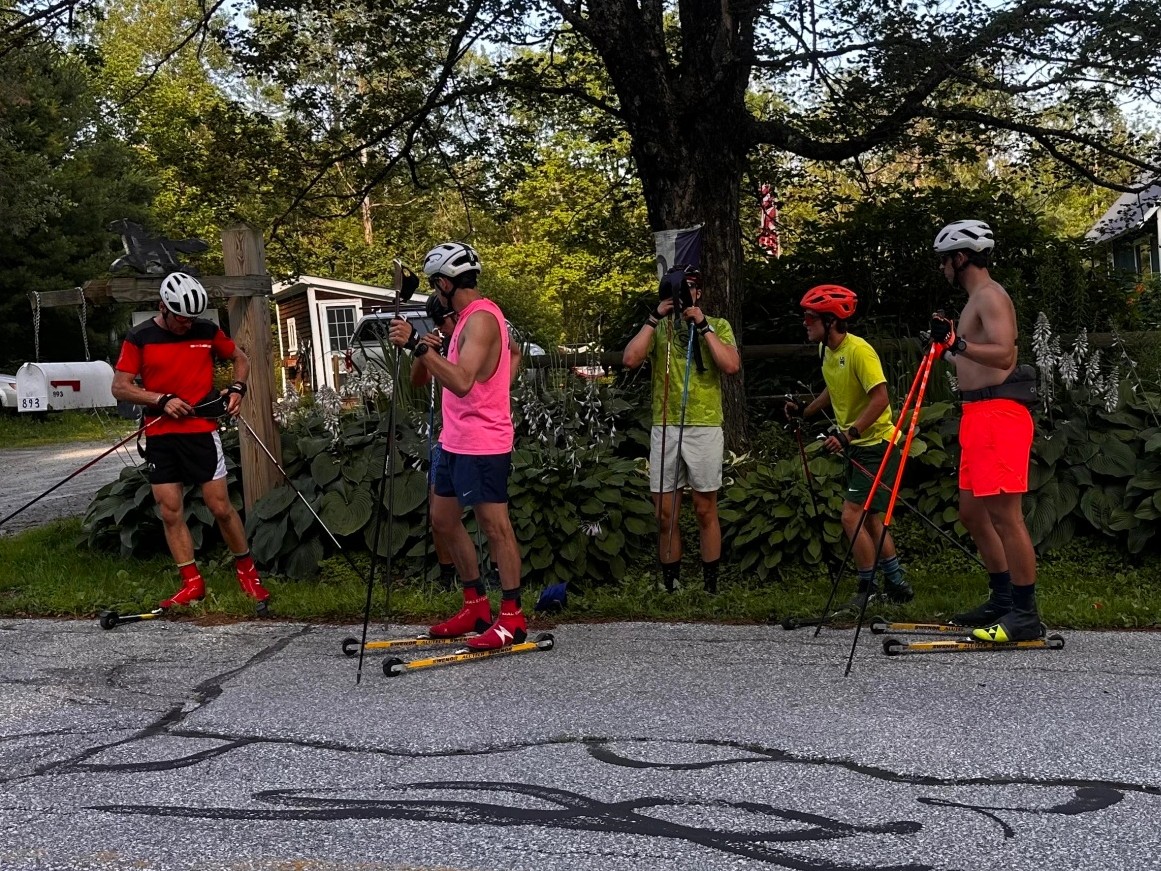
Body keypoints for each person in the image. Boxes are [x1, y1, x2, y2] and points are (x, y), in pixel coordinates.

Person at [388, 242, 524, 650]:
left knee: (495, 528)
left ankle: (513, 618)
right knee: (443, 519)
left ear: (445, 283)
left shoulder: (481, 319)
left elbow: (463, 381)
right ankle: (476, 605)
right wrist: (424, 349)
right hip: (454, 439)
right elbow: (435, 378)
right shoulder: (463, 321)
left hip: (483, 442)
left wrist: (416, 345)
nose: (435, 293)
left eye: (435, 285)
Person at [110, 272, 270, 613]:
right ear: (162, 307)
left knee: (220, 507)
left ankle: (249, 575)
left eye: (191, 318)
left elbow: (241, 358)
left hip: (201, 431)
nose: (186, 325)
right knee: (170, 511)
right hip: (161, 434)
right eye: (181, 318)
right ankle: (192, 584)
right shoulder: (140, 336)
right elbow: (120, 386)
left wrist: (238, 389)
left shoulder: (207, 331)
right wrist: (160, 399)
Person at [930, 219, 1040, 642]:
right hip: (977, 414)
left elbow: (1004, 355)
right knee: (972, 512)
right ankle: (1002, 598)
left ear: (960, 258)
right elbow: (972, 363)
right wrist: (945, 350)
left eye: (945, 261)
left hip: (999, 413)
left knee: (1005, 517)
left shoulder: (990, 296)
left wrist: (958, 344)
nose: (942, 268)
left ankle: (1025, 613)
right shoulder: (974, 299)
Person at [783, 284, 914, 611]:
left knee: (850, 516)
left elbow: (881, 397)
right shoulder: (827, 351)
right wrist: (805, 411)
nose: (805, 323)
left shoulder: (859, 351)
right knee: (870, 518)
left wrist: (848, 434)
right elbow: (832, 387)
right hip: (859, 446)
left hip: (876, 445)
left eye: (810, 318)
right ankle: (897, 584)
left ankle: (868, 587)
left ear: (830, 321)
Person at [622, 265, 741, 594]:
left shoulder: (719, 326)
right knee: (664, 512)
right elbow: (630, 360)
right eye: (676, 288)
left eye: (689, 288)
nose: (682, 294)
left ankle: (710, 586)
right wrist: (654, 317)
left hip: (704, 427)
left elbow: (731, 365)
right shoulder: (660, 328)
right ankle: (671, 585)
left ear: (698, 293)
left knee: (705, 508)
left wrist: (702, 325)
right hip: (666, 425)